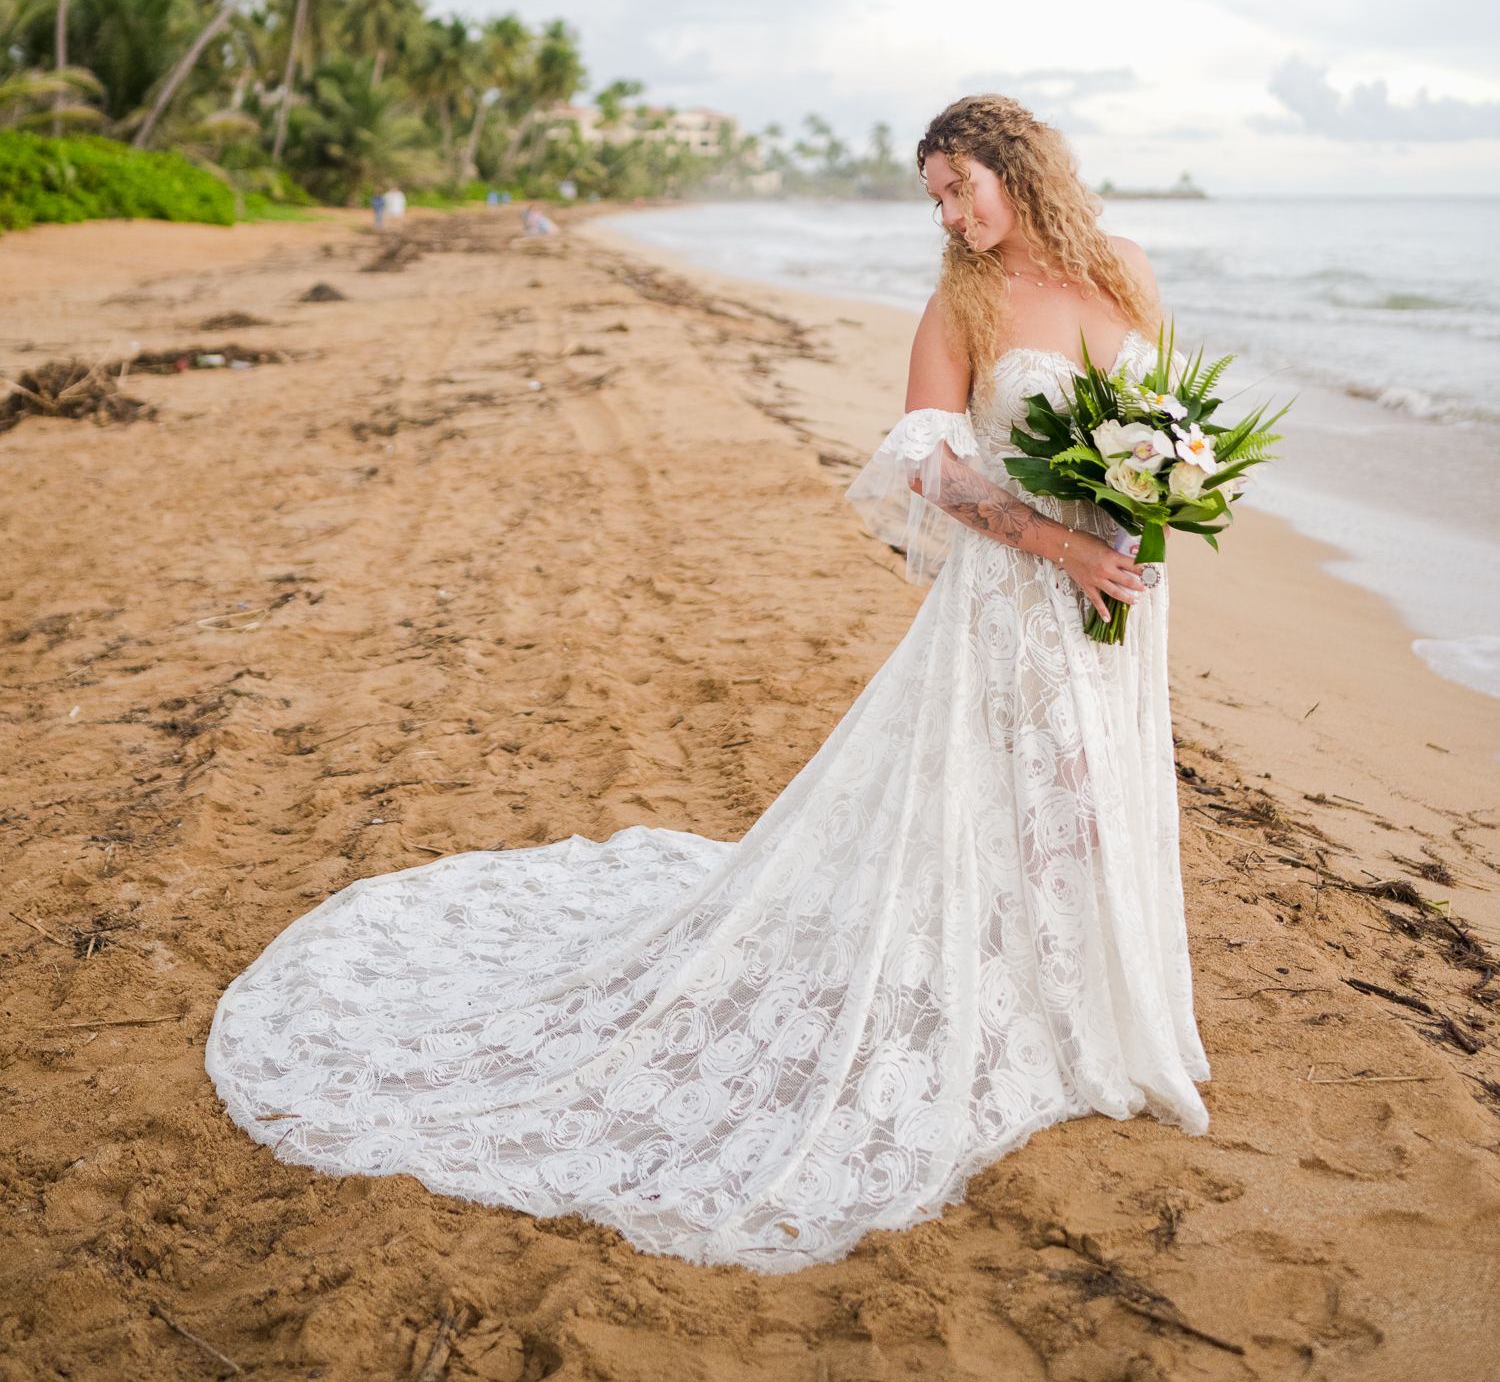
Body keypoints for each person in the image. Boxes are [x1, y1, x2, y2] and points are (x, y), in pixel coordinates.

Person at [205, 94, 1207, 1274]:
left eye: (959, 187)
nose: (948, 213)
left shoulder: (1128, 266)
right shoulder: (962, 301)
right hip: (1019, 595)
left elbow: (1166, 418)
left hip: (1118, 588)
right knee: (1015, 791)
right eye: (933, 195)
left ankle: (1089, 1005)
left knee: (1094, 797)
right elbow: (924, 464)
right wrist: (1057, 547)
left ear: (1017, 167)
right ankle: (1022, 1013)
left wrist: (1155, 502)